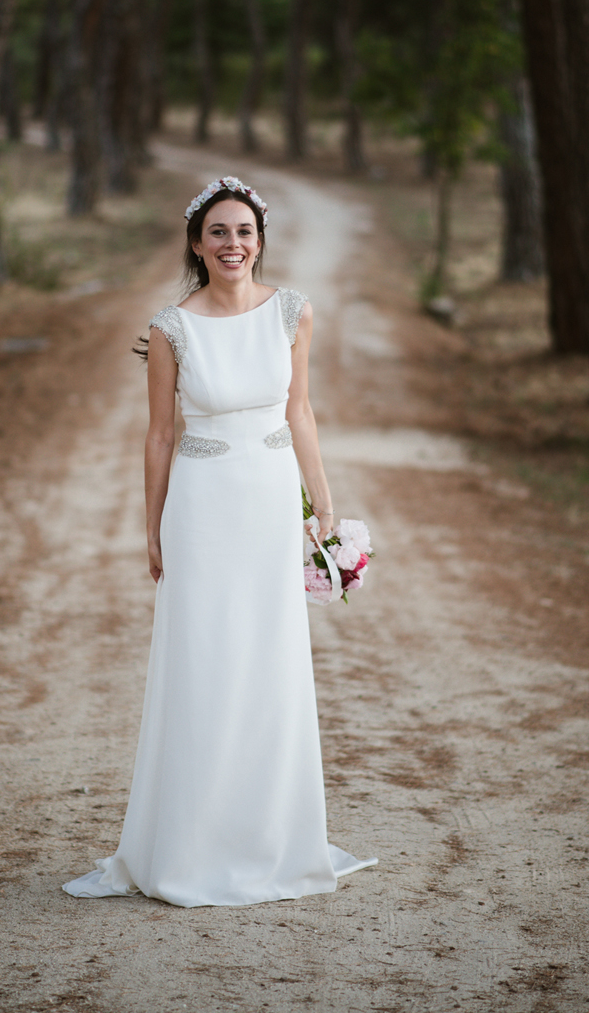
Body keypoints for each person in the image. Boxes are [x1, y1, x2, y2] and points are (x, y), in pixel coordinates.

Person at [63, 176, 375, 908]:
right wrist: (152, 523)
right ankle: (188, 844)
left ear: (260, 239)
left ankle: (271, 837)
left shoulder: (293, 313)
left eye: (244, 231)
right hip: (201, 507)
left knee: (267, 664)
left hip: (268, 502)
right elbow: (160, 433)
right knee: (202, 662)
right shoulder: (172, 327)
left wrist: (322, 502)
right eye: (218, 233)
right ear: (197, 246)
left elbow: (299, 410)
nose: (233, 245)